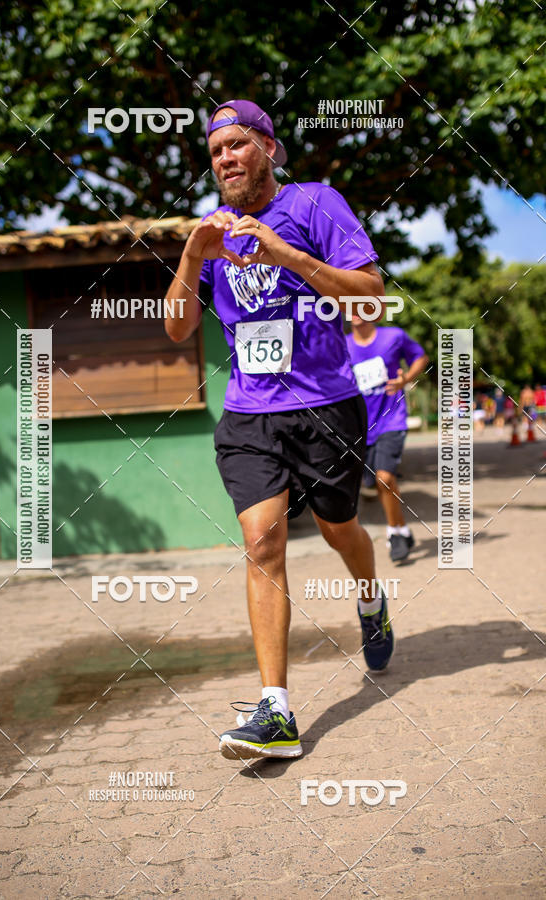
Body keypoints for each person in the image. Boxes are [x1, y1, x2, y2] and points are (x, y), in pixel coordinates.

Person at [164, 99, 392, 761]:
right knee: (262, 540)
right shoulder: (211, 232)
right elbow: (178, 327)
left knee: (337, 525)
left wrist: (285, 255)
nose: (226, 158)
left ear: (268, 147)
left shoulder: (318, 204)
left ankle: (370, 599)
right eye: (215, 151)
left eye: (238, 144)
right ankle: (276, 712)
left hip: (326, 403)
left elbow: (370, 296)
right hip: (249, 411)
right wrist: (190, 252)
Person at [345, 318, 427, 562]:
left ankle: (394, 534)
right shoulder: (342, 344)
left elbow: (420, 357)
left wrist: (406, 378)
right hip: (359, 426)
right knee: (373, 484)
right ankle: (402, 528)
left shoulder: (393, 337)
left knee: (385, 477)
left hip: (392, 419)